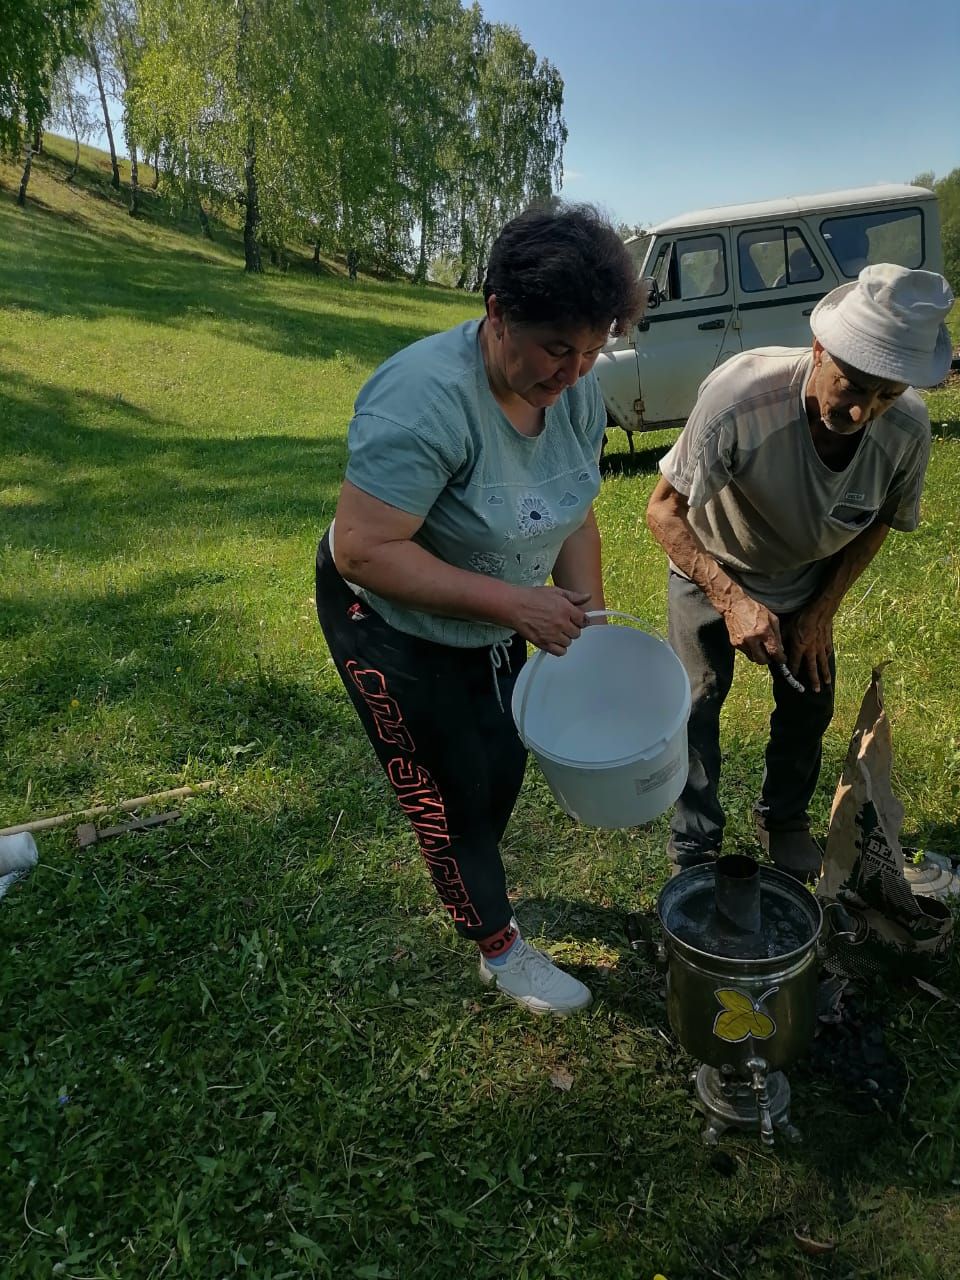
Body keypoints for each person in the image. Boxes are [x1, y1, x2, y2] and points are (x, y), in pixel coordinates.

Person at [315, 203, 644, 1014]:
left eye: (593, 350)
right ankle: (498, 949)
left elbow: (576, 510)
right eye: (557, 347)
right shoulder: (423, 399)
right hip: (393, 626)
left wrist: (592, 627)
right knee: (450, 788)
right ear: (497, 311)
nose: (573, 372)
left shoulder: (574, 395)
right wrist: (514, 603)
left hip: (501, 615)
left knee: (501, 763)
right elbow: (364, 547)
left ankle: (476, 867)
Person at [646, 264, 954, 882]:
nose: (862, 410)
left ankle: (783, 819)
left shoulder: (908, 427)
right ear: (820, 350)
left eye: (885, 395)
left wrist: (822, 610)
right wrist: (730, 599)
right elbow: (662, 511)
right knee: (697, 703)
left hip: (808, 577)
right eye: (853, 384)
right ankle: (696, 846)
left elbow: (882, 519)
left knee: (810, 701)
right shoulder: (740, 395)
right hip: (714, 559)